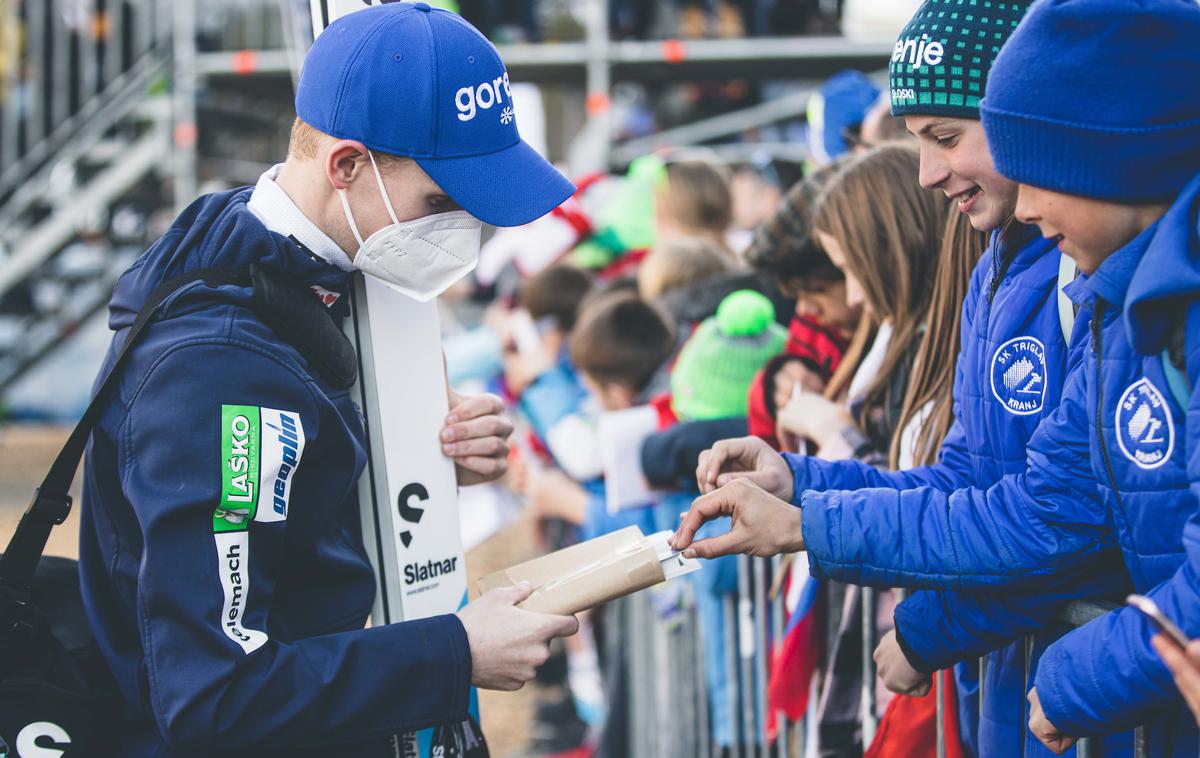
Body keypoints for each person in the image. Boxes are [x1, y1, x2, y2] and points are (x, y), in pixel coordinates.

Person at [672, 0, 1200, 753]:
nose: (1028, 200)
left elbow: (1053, 528)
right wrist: (808, 487)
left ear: (1102, 155)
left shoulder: (1094, 285)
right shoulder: (1072, 284)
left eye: (946, 138)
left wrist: (1063, 668)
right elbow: (1002, 491)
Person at [77, 5, 581, 754]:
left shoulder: (281, 266)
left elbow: (284, 522)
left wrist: (410, 450)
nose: (462, 234)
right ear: (345, 166)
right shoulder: (220, 374)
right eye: (442, 204)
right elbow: (214, 697)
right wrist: (455, 653)